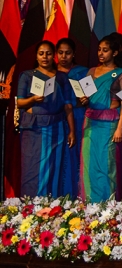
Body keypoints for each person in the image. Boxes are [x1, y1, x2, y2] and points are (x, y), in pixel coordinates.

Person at [17, 41, 76, 197]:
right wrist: (33, 99)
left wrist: (72, 131)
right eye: (41, 53)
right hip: (34, 128)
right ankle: (30, 205)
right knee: (32, 167)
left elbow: (68, 106)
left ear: (54, 56)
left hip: (57, 128)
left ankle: (52, 204)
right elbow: (20, 102)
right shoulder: (27, 76)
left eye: (48, 54)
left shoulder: (61, 77)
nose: (45, 57)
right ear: (36, 56)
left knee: (54, 167)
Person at [80, 35, 122, 202]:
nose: (101, 53)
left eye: (105, 50)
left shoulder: (121, 74)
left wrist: (120, 127)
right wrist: (83, 100)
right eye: (99, 50)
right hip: (90, 122)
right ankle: (90, 203)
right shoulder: (91, 71)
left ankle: (108, 205)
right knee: (90, 163)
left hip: (109, 123)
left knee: (107, 164)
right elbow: (86, 96)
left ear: (114, 53)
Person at [56, 38, 89, 197]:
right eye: (60, 53)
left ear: (74, 54)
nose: (64, 56)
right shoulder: (50, 72)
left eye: (67, 53)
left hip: (77, 116)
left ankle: (76, 194)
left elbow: (92, 96)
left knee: (75, 154)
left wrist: (85, 100)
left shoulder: (83, 72)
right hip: (57, 118)